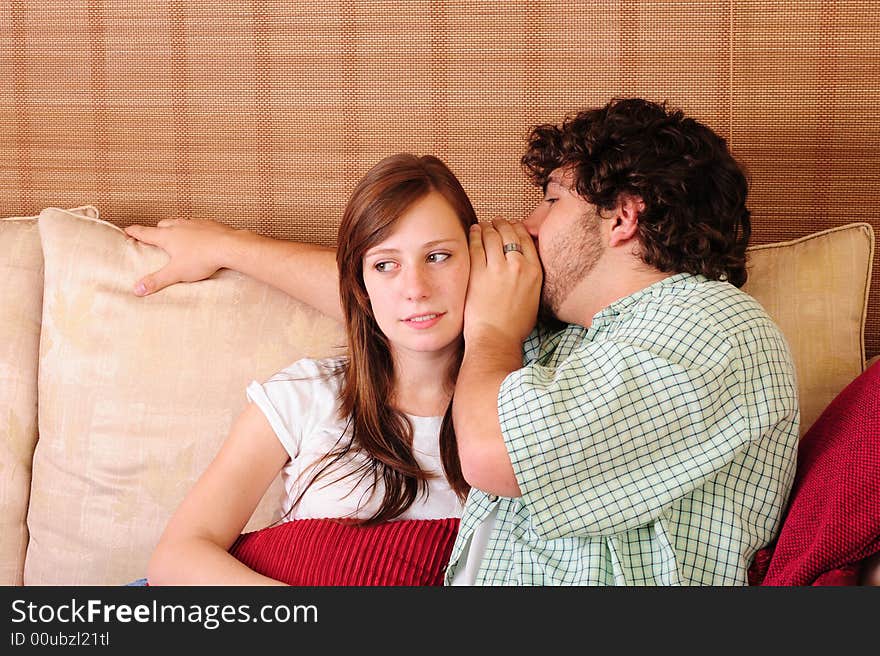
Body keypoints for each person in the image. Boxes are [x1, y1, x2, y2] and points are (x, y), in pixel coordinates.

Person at [129, 98, 800, 586]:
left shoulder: (708, 325)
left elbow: (490, 450)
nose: (529, 224)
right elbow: (400, 306)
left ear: (623, 217)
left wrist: (494, 329)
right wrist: (229, 246)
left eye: (551, 199)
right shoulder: (577, 345)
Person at [145, 153, 475, 585]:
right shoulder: (306, 394)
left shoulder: (528, 403)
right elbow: (177, 557)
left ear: (477, 261)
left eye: (438, 257)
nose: (415, 289)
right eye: (385, 265)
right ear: (361, 285)